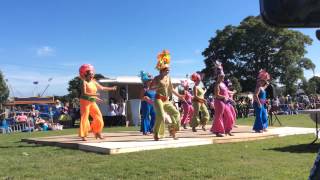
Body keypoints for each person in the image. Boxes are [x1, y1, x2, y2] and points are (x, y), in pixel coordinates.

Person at [151, 50, 185, 141]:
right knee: (161, 116)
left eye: (169, 70)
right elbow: (150, 88)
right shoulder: (156, 78)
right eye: (167, 70)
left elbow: (171, 89)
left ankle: (173, 131)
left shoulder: (168, 78)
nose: (169, 71)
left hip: (166, 100)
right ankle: (156, 134)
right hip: (158, 99)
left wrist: (180, 96)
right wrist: (156, 86)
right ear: (162, 70)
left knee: (176, 113)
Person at [78, 64, 117, 141]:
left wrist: (111, 88)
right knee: (85, 118)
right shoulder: (84, 82)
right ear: (86, 74)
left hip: (92, 101)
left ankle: (97, 132)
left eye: (93, 74)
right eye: (90, 74)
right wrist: (95, 94)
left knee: (99, 117)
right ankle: (84, 135)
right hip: (84, 102)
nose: (92, 76)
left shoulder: (93, 81)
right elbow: (84, 93)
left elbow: (102, 88)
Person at [210, 62, 235, 137]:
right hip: (219, 102)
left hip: (226, 102)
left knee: (230, 116)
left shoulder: (223, 84)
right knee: (219, 116)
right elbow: (216, 95)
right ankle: (218, 131)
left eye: (223, 76)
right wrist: (224, 97)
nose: (223, 77)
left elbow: (227, 92)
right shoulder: (217, 84)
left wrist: (231, 96)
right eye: (221, 76)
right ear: (218, 76)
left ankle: (227, 130)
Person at [139, 71, 156, 135]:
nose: (151, 81)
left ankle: (152, 129)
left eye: (151, 80)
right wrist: (145, 98)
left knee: (154, 116)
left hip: (153, 104)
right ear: (145, 81)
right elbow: (141, 98)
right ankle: (145, 130)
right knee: (146, 116)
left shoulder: (154, 88)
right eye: (149, 80)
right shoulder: (144, 89)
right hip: (146, 104)